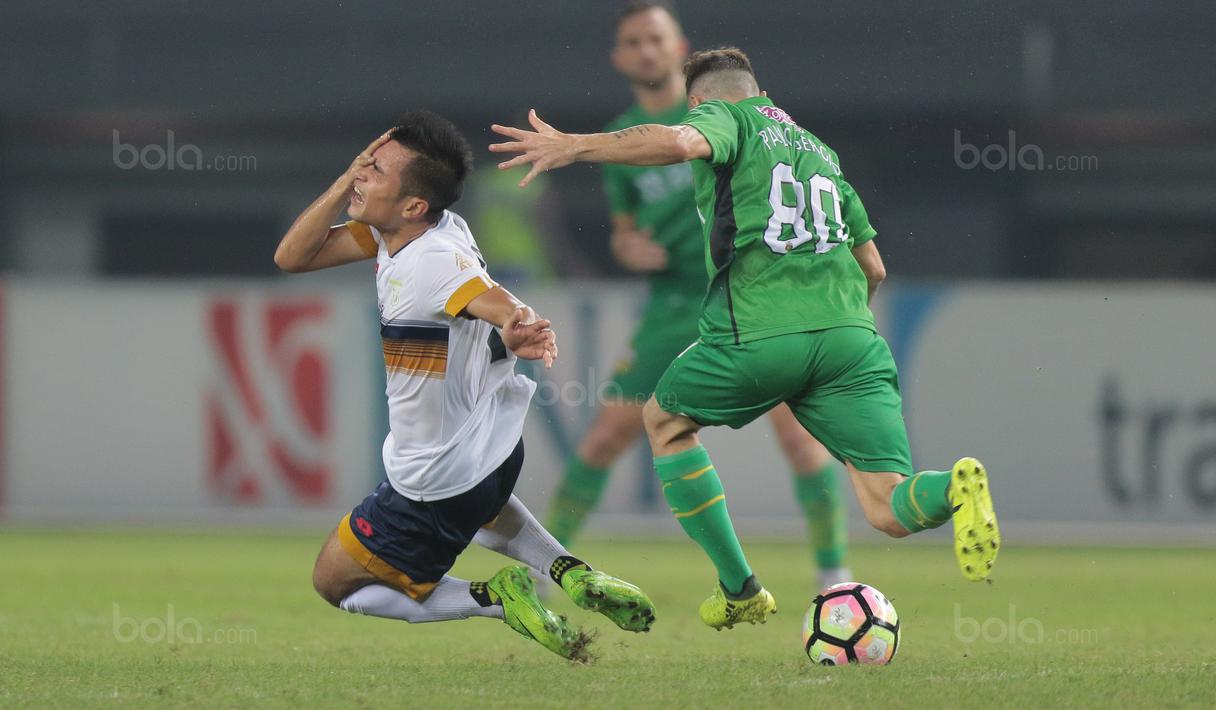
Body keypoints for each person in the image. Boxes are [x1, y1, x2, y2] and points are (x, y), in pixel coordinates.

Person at [490, 49, 1000, 630]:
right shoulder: (822, 153)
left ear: (701, 102)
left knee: (664, 421)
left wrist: (574, 146)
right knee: (887, 505)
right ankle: (954, 490)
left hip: (759, 329)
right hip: (853, 339)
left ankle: (739, 588)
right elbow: (874, 269)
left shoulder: (729, 119)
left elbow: (680, 144)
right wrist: (831, 329)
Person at [275, 111, 655, 661]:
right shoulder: (422, 231)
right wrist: (347, 180)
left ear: (412, 205)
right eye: (365, 164)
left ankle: (494, 597)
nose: (361, 175)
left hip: (434, 477)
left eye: (375, 171)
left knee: (337, 583)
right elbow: (292, 257)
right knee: (483, 510)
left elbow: (485, 294)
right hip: (492, 454)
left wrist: (517, 321)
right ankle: (571, 572)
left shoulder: (431, 261)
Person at [545, 0, 852, 590]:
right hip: (676, 306)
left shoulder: (730, 119)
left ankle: (834, 577)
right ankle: (546, 567)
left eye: (655, 38)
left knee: (798, 433)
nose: (646, 50)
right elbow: (624, 231)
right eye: (633, 42)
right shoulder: (621, 141)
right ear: (620, 58)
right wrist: (627, 248)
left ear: (680, 48)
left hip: (753, 293)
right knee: (608, 435)